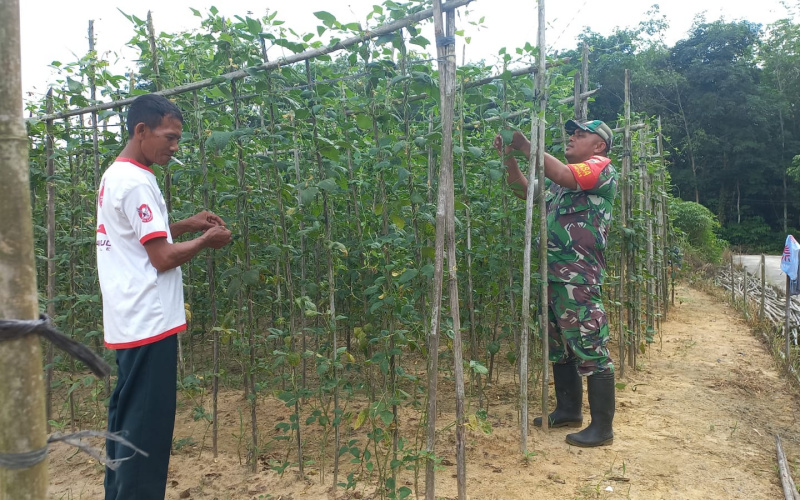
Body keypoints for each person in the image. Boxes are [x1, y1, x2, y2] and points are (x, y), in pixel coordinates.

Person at [96, 94, 232, 499]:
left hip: (127, 318)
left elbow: (136, 236)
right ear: (141, 131)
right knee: (147, 432)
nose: (174, 147)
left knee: (125, 421)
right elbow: (160, 257)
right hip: (149, 321)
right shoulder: (138, 181)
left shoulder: (116, 174)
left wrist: (187, 223)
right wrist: (207, 241)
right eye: (169, 137)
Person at [493, 119, 618, 447]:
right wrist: (509, 157)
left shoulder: (600, 169)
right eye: (571, 133)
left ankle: (602, 428)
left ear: (599, 146)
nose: (572, 137)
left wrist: (524, 144)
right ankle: (568, 411)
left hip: (579, 277)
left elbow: (563, 172)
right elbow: (524, 191)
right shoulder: (560, 186)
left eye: (581, 134)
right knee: (561, 348)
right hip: (554, 278)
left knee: (591, 347)